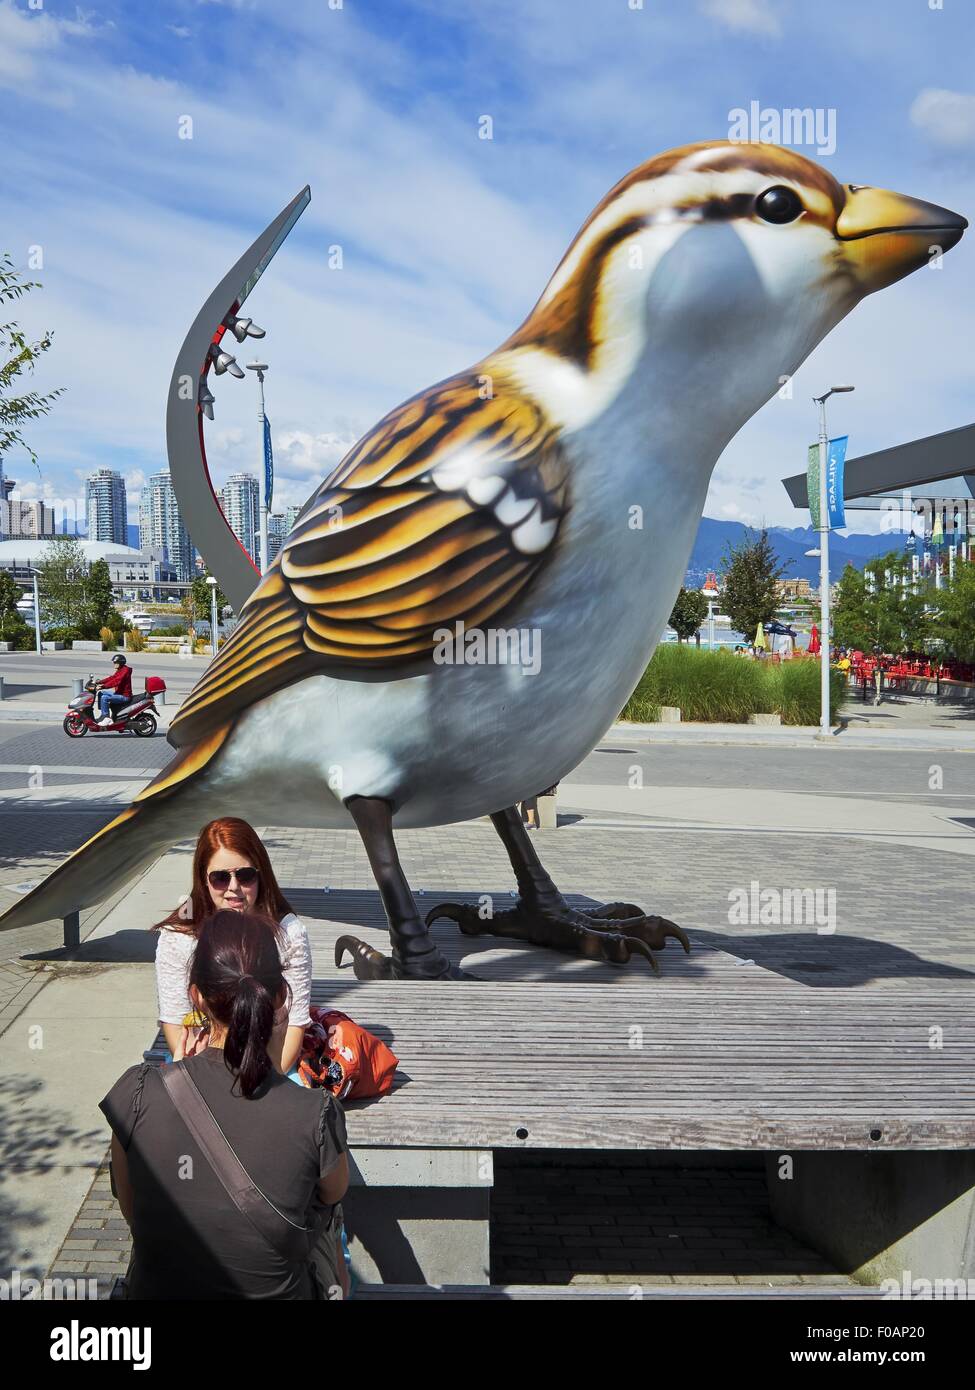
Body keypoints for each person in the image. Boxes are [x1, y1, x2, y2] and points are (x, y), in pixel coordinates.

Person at [101, 909, 349, 1300]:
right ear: (282, 996)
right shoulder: (314, 1113)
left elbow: (134, 1214)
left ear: (196, 995)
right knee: (327, 1226)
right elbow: (334, 1194)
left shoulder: (137, 1093)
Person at [154, 818, 311, 1076]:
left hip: (269, 1059)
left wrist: (268, 1083)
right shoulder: (179, 936)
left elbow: (295, 1022)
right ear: (203, 880)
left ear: (261, 875)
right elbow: (174, 1019)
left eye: (245, 875)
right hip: (201, 1060)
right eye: (220, 878)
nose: (234, 887)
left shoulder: (288, 932)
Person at [96, 653, 133, 726]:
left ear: (120, 663)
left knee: (104, 698)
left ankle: (107, 718)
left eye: (115, 662)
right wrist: (99, 682)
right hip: (119, 693)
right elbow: (112, 678)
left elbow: (116, 681)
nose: (114, 664)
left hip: (125, 696)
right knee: (102, 693)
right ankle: (103, 715)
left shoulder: (125, 671)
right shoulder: (120, 669)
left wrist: (103, 686)